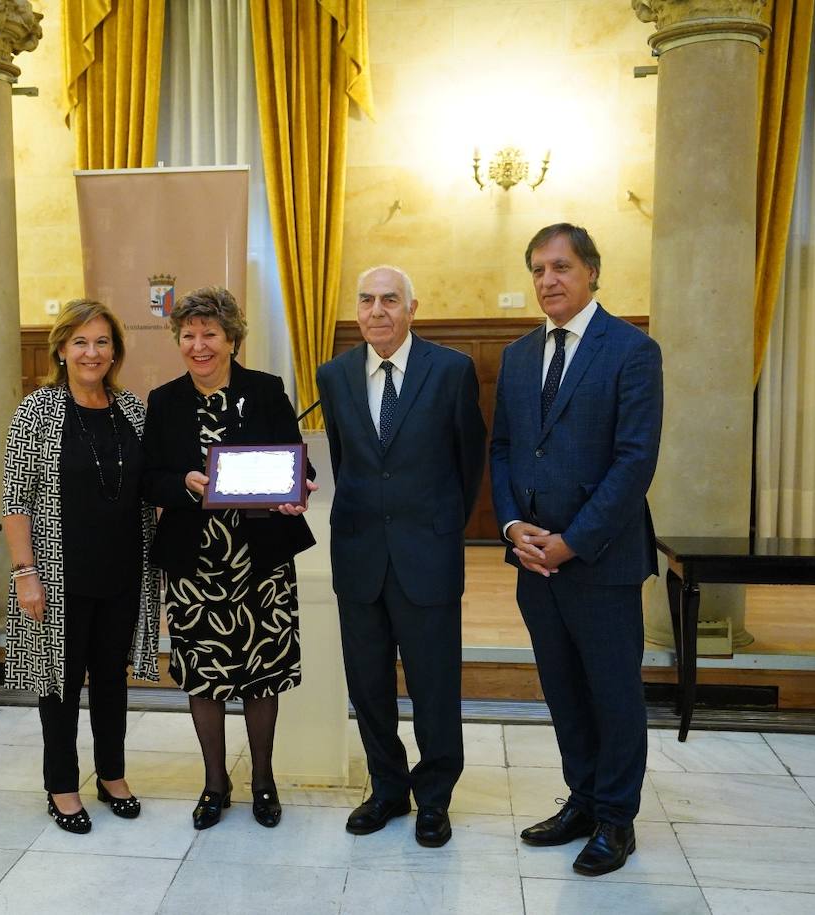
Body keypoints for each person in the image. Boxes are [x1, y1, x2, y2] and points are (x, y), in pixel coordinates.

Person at [490, 223, 663, 876]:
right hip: (533, 561)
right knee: (563, 689)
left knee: (613, 694)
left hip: (602, 559)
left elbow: (635, 460)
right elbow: (504, 447)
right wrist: (512, 527)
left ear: (591, 271)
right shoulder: (516, 355)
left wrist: (572, 541)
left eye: (560, 266)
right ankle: (584, 800)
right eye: (537, 269)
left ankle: (617, 819)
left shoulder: (632, 350)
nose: (547, 280)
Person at [315, 265, 487, 849]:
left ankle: (434, 798)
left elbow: (470, 465)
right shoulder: (334, 374)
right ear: (356, 310)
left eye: (390, 300)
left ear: (413, 307)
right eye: (367, 301)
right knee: (367, 685)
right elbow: (345, 459)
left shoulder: (452, 370)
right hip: (359, 554)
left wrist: (438, 528)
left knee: (434, 685)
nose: (378, 311)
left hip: (427, 555)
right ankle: (387, 788)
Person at [141, 285, 316, 831]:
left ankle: (263, 780)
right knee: (205, 677)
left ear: (232, 339)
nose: (199, 345)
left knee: (262, 674)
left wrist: (298, 489)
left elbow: (297, 464)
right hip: (196, 564)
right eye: (189, 334)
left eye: (210, 334)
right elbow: (149, 478)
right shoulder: (164, 400)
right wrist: (183, 483)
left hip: (261, 559)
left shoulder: (265, 390)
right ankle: (215, 782)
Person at [1, 299, 161, 835]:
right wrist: (25, 573)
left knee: (112, 682)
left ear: (115, 350)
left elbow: (152, 487)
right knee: (60, 685)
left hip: (124, 572)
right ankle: (62, 785)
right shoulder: (36, 411)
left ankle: (112, 775)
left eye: (102, 342)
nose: (92, 353)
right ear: (61, 350)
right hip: (57, 575)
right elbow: (15, 502)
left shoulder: (134, 410)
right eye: (81, 343)